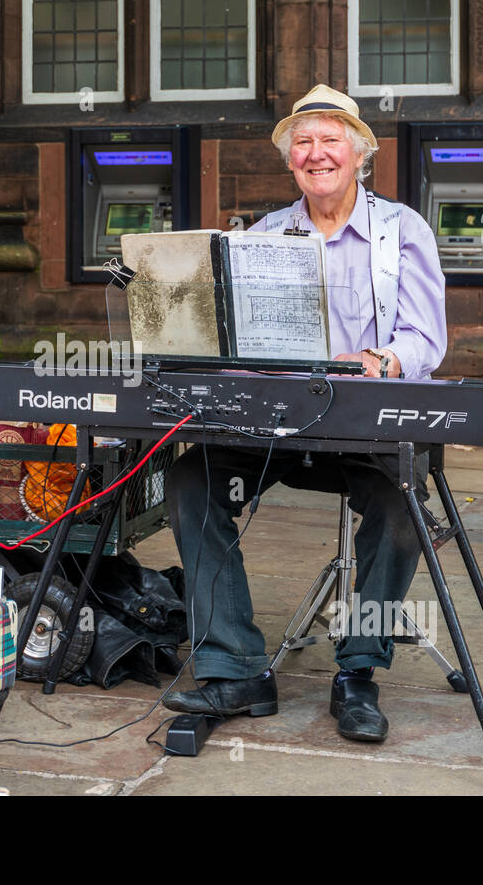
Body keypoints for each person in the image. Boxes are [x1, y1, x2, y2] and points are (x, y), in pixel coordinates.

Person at [162, 85, 447, 741]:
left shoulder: (401, 231)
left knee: (402, 508)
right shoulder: (265, 236)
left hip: (363, 430)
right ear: (291, 160)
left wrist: (384, 360)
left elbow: (425, 340)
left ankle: (357, 671)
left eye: (330, 141)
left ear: (359, 154)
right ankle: (235, 668)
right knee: (191, 481)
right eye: (304, 144)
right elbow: (236, 343)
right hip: (279, 428)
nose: (316, 154)